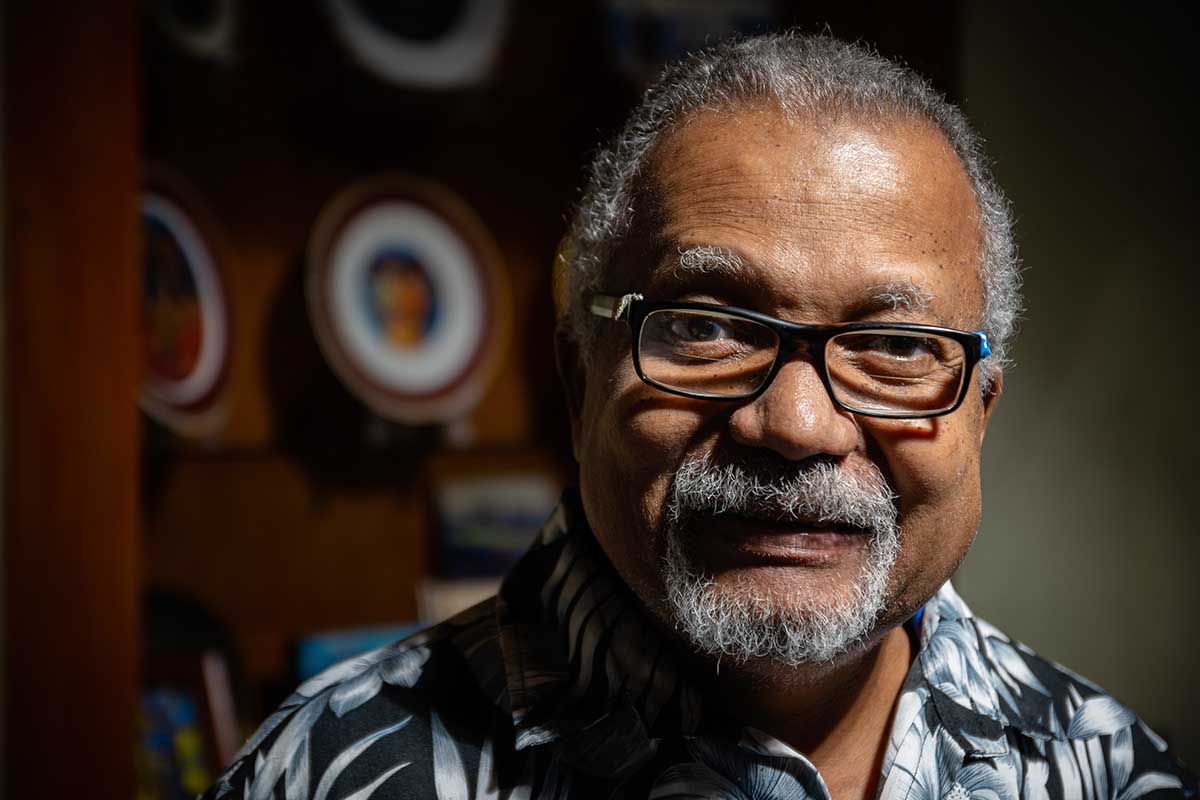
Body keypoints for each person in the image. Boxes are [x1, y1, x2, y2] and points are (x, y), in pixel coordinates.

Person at [202, 33, 1197, 800]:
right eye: (708, 327)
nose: (797, 423)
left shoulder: (1109, 772)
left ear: (980, 411)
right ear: (580, 382)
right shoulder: (324, 772)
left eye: (895, 347)